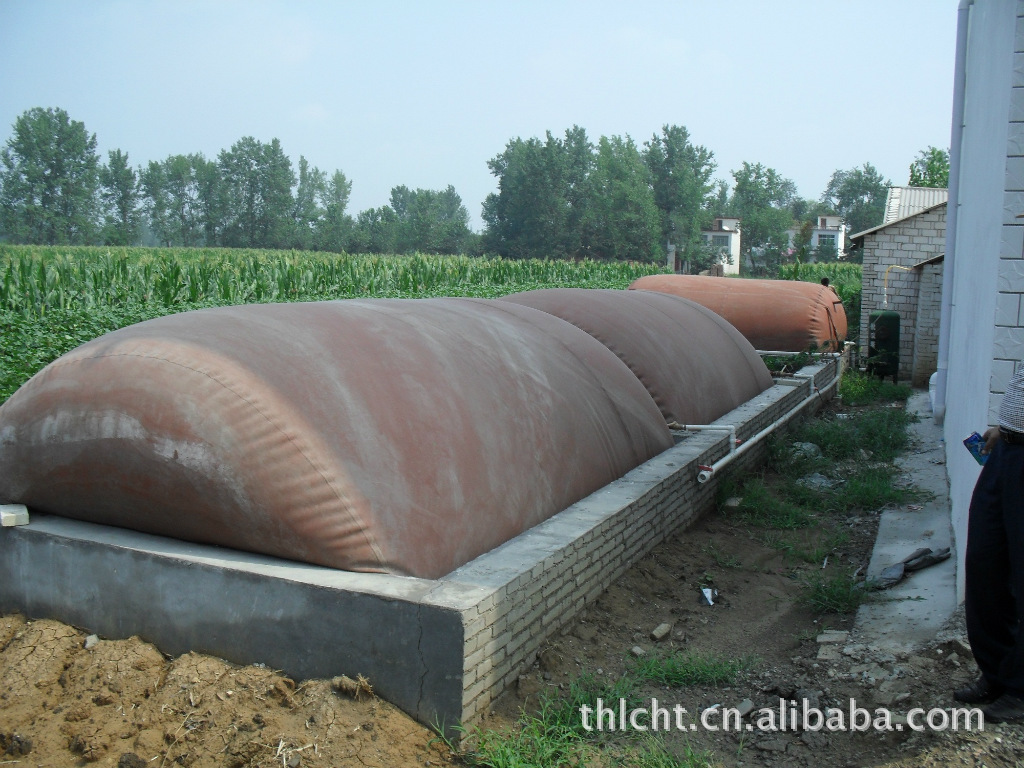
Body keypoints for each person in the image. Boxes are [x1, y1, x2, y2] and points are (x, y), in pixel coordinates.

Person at [956, 364, 1024, 722]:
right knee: (985, 564)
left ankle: (1020, 689)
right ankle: (998, 671)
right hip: (1006, 452)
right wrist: (1005, 428)